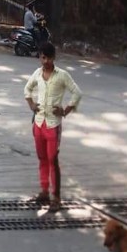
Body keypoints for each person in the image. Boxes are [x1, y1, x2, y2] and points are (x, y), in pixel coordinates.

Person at [24, 42, 82, 213]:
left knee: (53, 160)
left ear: (54, 58)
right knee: (42, 158)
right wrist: (31, 105)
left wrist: (65, 110)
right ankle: (44, 191)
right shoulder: (37, 73)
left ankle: (56, 197)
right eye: (43, 57)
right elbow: (27, 89)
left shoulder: (62, 75)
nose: (45, 61)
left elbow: (77, 93)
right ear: (40, 57)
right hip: (38, 123)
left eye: (48, 58)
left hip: (53, 125)